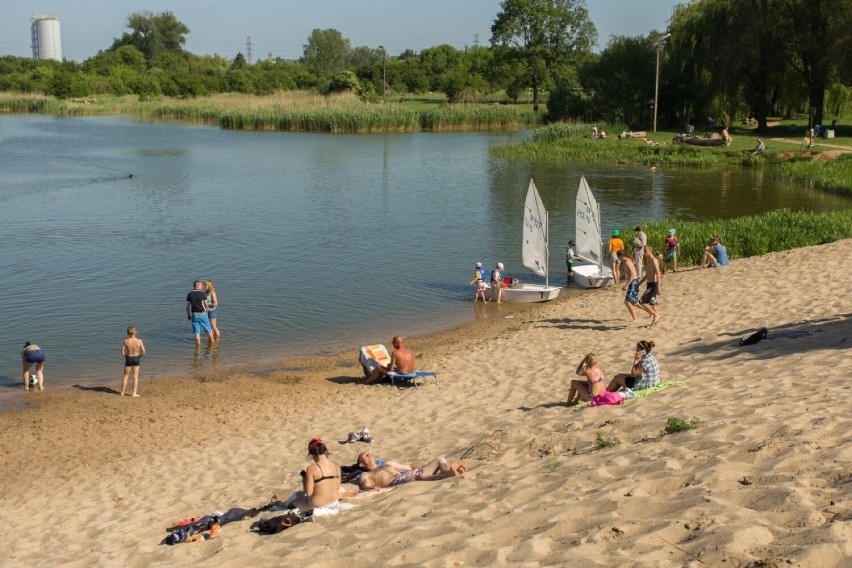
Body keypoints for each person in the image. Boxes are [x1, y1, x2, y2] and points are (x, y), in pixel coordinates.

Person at [281, 438, 342, 514]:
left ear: (312, 454)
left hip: (317, 505)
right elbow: (338, 487)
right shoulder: (336, 465)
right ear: (325, 450)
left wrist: (304, 481)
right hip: (333, 502)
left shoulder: (311, 468)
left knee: (292, 501)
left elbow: (308, 493)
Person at [356, 456, 465, 490]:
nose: (370, 454)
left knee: (440, 459)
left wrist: (423, 466)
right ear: (362, 465)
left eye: (369, 453)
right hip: (395, 481)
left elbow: (409, 467)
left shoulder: (388, 463)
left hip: (407, 474)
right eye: (365, 456)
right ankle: (448, 474)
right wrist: (371, 489)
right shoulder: (365, 474)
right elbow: (367, 485)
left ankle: (448, 471)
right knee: (419, 476)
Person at [637, 246, 662, 326]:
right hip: (649, 284)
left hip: (653, 285)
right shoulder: (647, 260)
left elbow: (658, 274)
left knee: (641, 301)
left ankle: (656, 315)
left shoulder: (654, 261)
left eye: (645, 251)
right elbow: (647, 275)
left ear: (650, 251)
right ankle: (655, 321)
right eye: (644, 251)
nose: (644, 252)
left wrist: (658, 287)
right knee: (652, 303)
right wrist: (639, 283)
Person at [186, 280, 214, 346]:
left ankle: (197, 347)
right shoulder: (202, 294)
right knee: (209, 330)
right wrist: (206, 311)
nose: (202, 286)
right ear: (198, 286)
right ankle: (213, 344)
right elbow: (206, 304)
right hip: (202, 313)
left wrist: (188, 315)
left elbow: (187, 306)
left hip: (194, 314)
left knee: (196, 332)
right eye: (201, 285)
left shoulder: (189, 294)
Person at [120, 326, 146, 397]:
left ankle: (122, 392)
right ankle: (134, 393)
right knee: (135, 376)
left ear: (128, 333)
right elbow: (143, 351)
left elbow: (122, 352)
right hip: (136, 358)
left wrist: (126, 356)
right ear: (135, 332)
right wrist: (139, 356)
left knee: (126, 375)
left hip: (128, 358)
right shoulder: (139, 341)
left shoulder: (126, 341)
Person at [617, 250, 640, 321]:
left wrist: (626, 285)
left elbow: (632, 275)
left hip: (633, 282)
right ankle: (649, 311)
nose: (618, 258)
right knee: (634, 302)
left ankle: (635, 318)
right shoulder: (626, 261)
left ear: (620, 256)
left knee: (627, 302)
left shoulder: (627, 262)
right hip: (633, 282)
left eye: (618, 256)